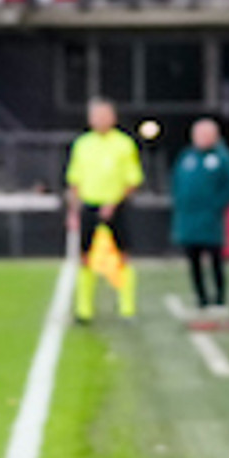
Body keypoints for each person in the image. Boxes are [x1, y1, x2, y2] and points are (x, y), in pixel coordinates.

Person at [65, 96, 143, 324]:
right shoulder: (82, 144)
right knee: (85, 256)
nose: (100, 120)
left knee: (123, 255)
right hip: (89, 204)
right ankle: (84, 309)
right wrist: (73, 211)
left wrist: (114, 202)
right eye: (96, 116)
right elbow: (74, 181)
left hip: (116, 206)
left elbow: (133, 180)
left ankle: (127, 307)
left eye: (104, 115)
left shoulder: (124, 144)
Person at [167, 115, 229, 313]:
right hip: (188, 220)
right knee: (193, 260)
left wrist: (216, 205)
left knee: (215, 260)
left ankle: (220, 298)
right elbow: (176, 183)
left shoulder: (222, 158)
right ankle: (201, 298)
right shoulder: (187, 157)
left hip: (210, 220)